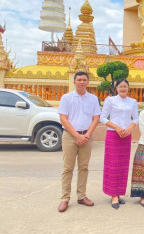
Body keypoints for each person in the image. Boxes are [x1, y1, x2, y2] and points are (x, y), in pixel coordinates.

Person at [57, 71, 101, 212]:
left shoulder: (93, 99)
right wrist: (77, 135)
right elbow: (63, 118)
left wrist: (86, 135)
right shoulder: (67, 98)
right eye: (79, 79)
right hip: (70, 136)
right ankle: (65, 198)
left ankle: (81, 196)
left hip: (86, 136)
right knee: (68, 168)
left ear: (88, 82)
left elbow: (96, 118)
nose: (82, 82)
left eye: (84, 80)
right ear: (74, 81)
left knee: (83, 167)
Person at [100, 79, 139, 209]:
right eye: (120, 86)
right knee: (112, 165)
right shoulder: (110, 100)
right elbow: (103, 118)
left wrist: (130, 128)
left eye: (125, 86)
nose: (123, 88)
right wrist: (116, 127)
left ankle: (119, 192)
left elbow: (136, 118)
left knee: (123, 165)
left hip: (126, 135)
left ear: (128, 88)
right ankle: (113, 194)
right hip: (113, 134)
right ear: (116, 88)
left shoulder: (132, 102)